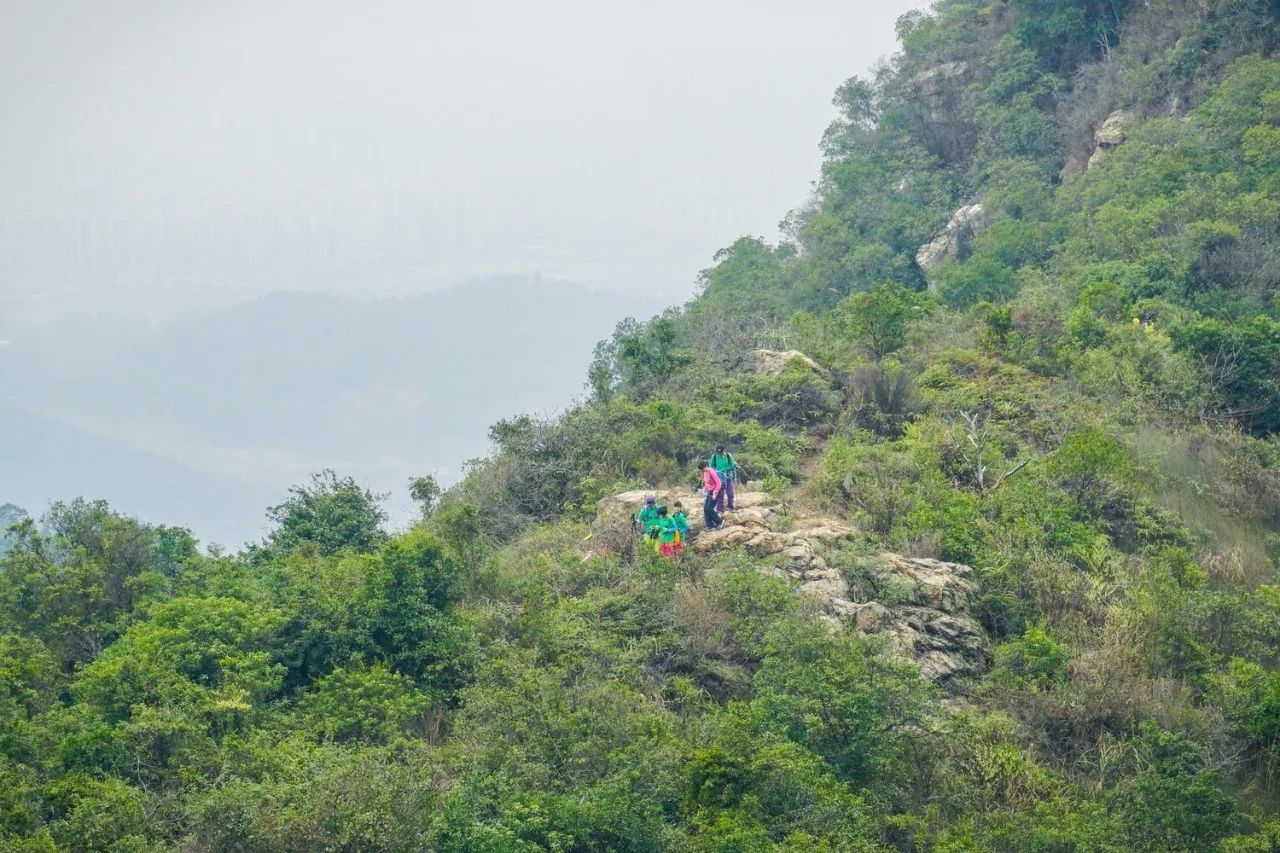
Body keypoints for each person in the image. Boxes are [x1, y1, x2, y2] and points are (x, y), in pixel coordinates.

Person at [708, 445, 737, 512]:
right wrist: (716, 471)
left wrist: (727, 469)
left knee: (730, 493)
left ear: (724, 451)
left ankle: (730, 507)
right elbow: (711, 466)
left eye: (721, 453)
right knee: (720, 495)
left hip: (728, 476)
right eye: (718, 453)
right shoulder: (714, 456)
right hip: (719, 478)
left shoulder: (728, 456)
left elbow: (732, 466)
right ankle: (720, 510)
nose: (719, 454)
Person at [697, 461, 724, 530]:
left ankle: (720, 521)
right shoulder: (705, 473)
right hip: (709, 492)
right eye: (701, 470)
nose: (702, 471)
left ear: (705, 467)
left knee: (709, 508)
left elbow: (719, 483)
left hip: (716, 492)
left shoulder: (711, 472)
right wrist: (704, 489)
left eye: (702, 469)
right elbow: (707, 483)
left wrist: (715, 492)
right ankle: (709, 525)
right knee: (706, 508)